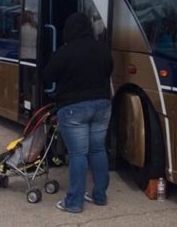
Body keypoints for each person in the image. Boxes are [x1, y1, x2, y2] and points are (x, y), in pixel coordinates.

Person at [44, 12, 113, 213]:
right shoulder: (102, 48)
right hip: (102, 105)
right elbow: (109, 69)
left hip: (74, 108)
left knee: (78, 154)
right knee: (98, 150)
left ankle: (74, 202)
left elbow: (48, 75)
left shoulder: (65, 52)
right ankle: (100, 195)